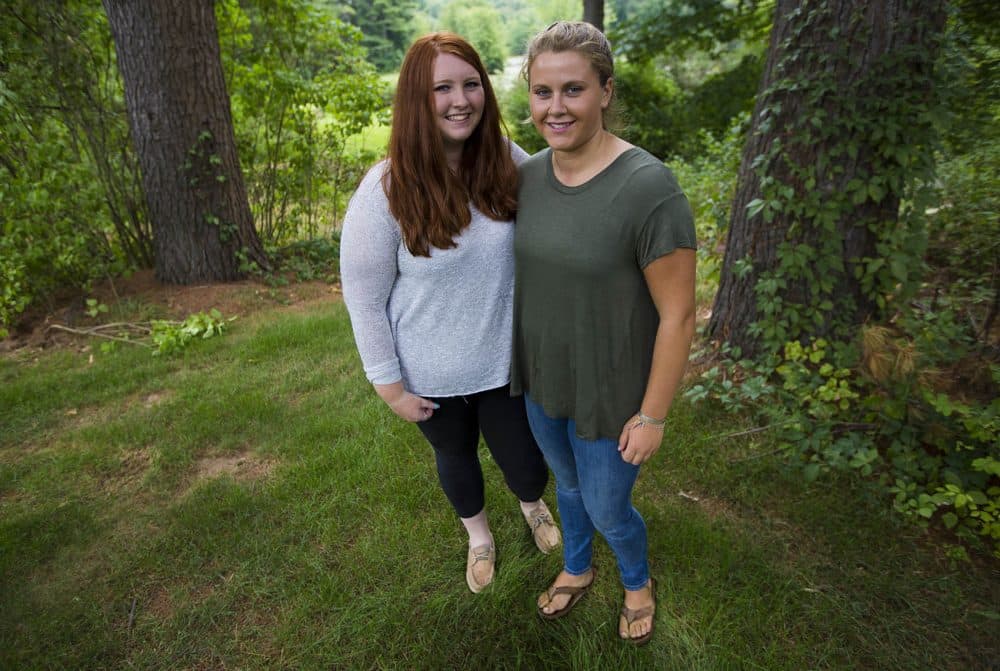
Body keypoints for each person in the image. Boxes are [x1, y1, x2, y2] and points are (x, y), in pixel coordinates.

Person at [339, 33, 561, 595]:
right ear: (417, 99)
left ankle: (532, 506)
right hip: (429, 377)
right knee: (456, 461)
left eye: (470, 84)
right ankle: (479, 536)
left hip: (505, 365)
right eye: (442, 87)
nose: (460, 99)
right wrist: (389, 388)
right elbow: (363, 300)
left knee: (529, 467)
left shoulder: (505, 161)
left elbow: (566, 188)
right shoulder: (383, 190)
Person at [511, 21, 697, 644]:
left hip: (613, 395)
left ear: (606, 91)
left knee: (609, 506)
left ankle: (637, 581)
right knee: (565, 486)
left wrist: (653, 415)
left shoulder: (649, 187)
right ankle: (577, 567)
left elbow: (679, 314)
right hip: (542, 382)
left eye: (573, 90)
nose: (555, 108)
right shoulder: (528, 178)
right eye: (542, 92)